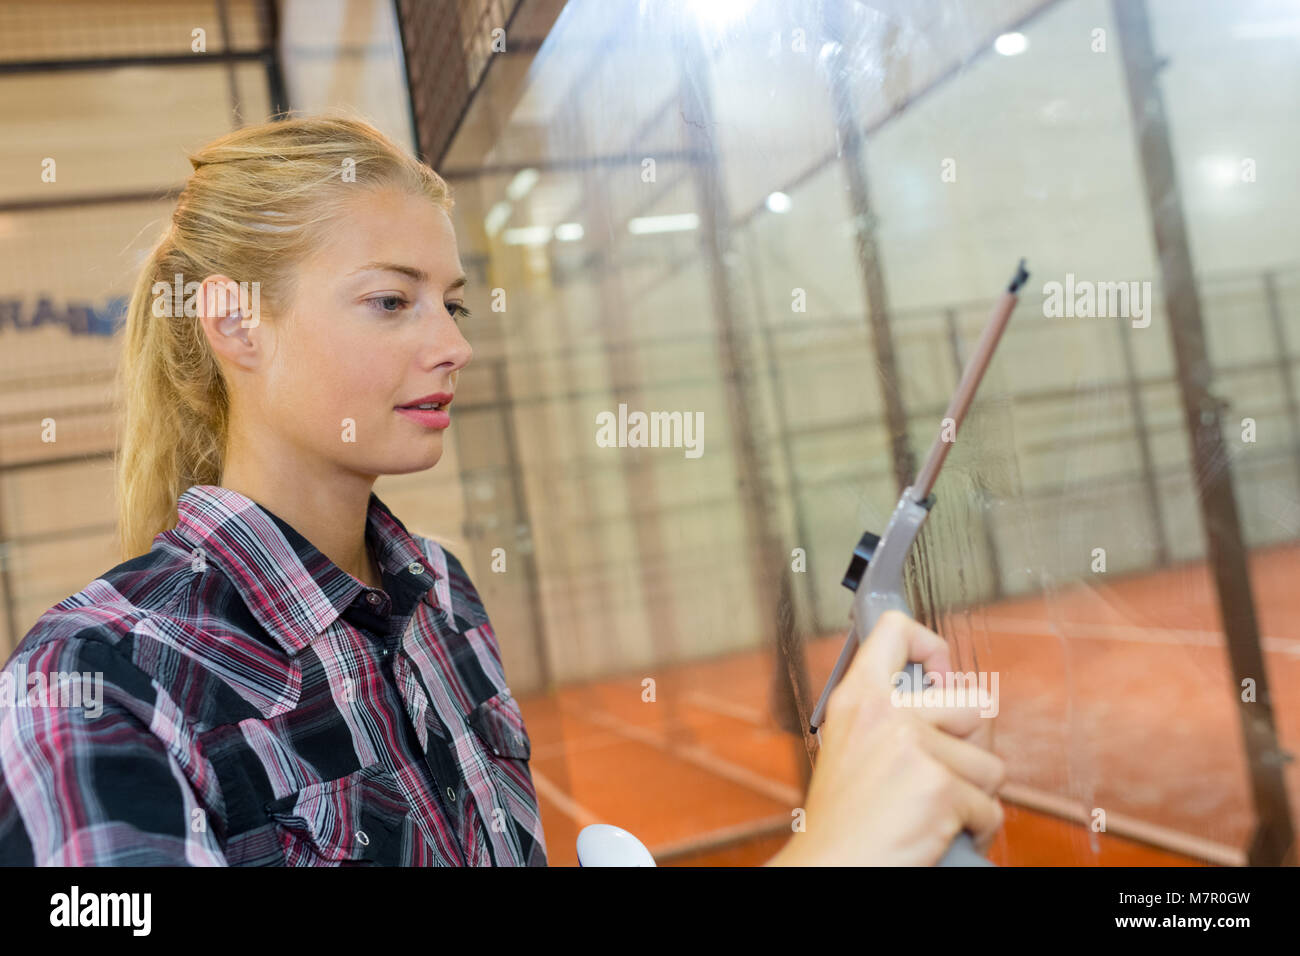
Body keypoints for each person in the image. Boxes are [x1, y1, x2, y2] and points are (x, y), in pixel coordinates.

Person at [0, 115, 1002, 866]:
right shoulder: (91, 684)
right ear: (235, 323)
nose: (452, 345)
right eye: (391, 300)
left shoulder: (441, 597)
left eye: (451, 302)